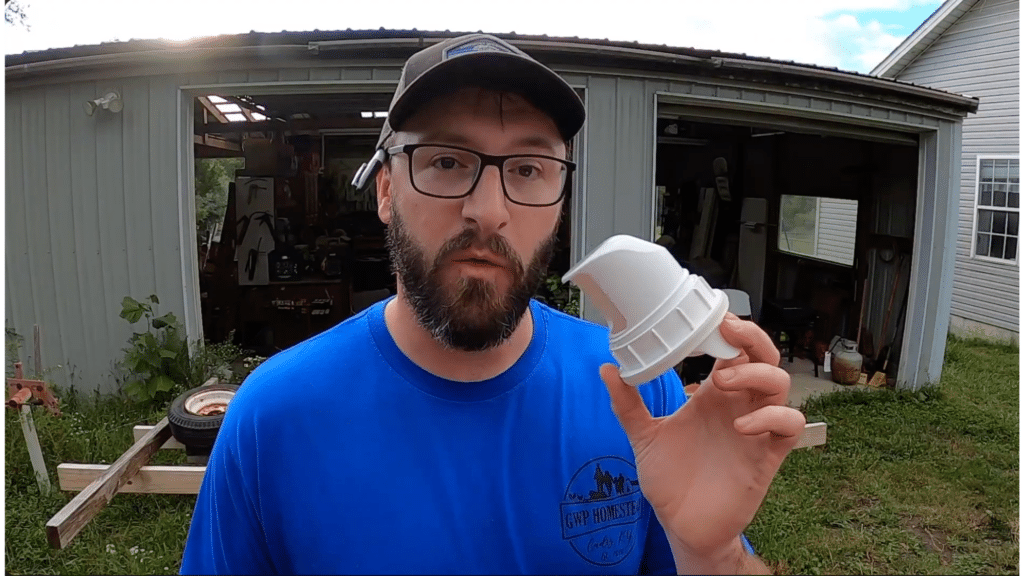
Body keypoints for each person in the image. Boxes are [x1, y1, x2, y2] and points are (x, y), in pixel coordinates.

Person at [180, 33, 805, 575]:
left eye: (529, 169)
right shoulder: (274, 416)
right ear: (387, 190)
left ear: (560, 199)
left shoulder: (639, 393)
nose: (489, 210)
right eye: (448, 161)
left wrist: (714, 553)